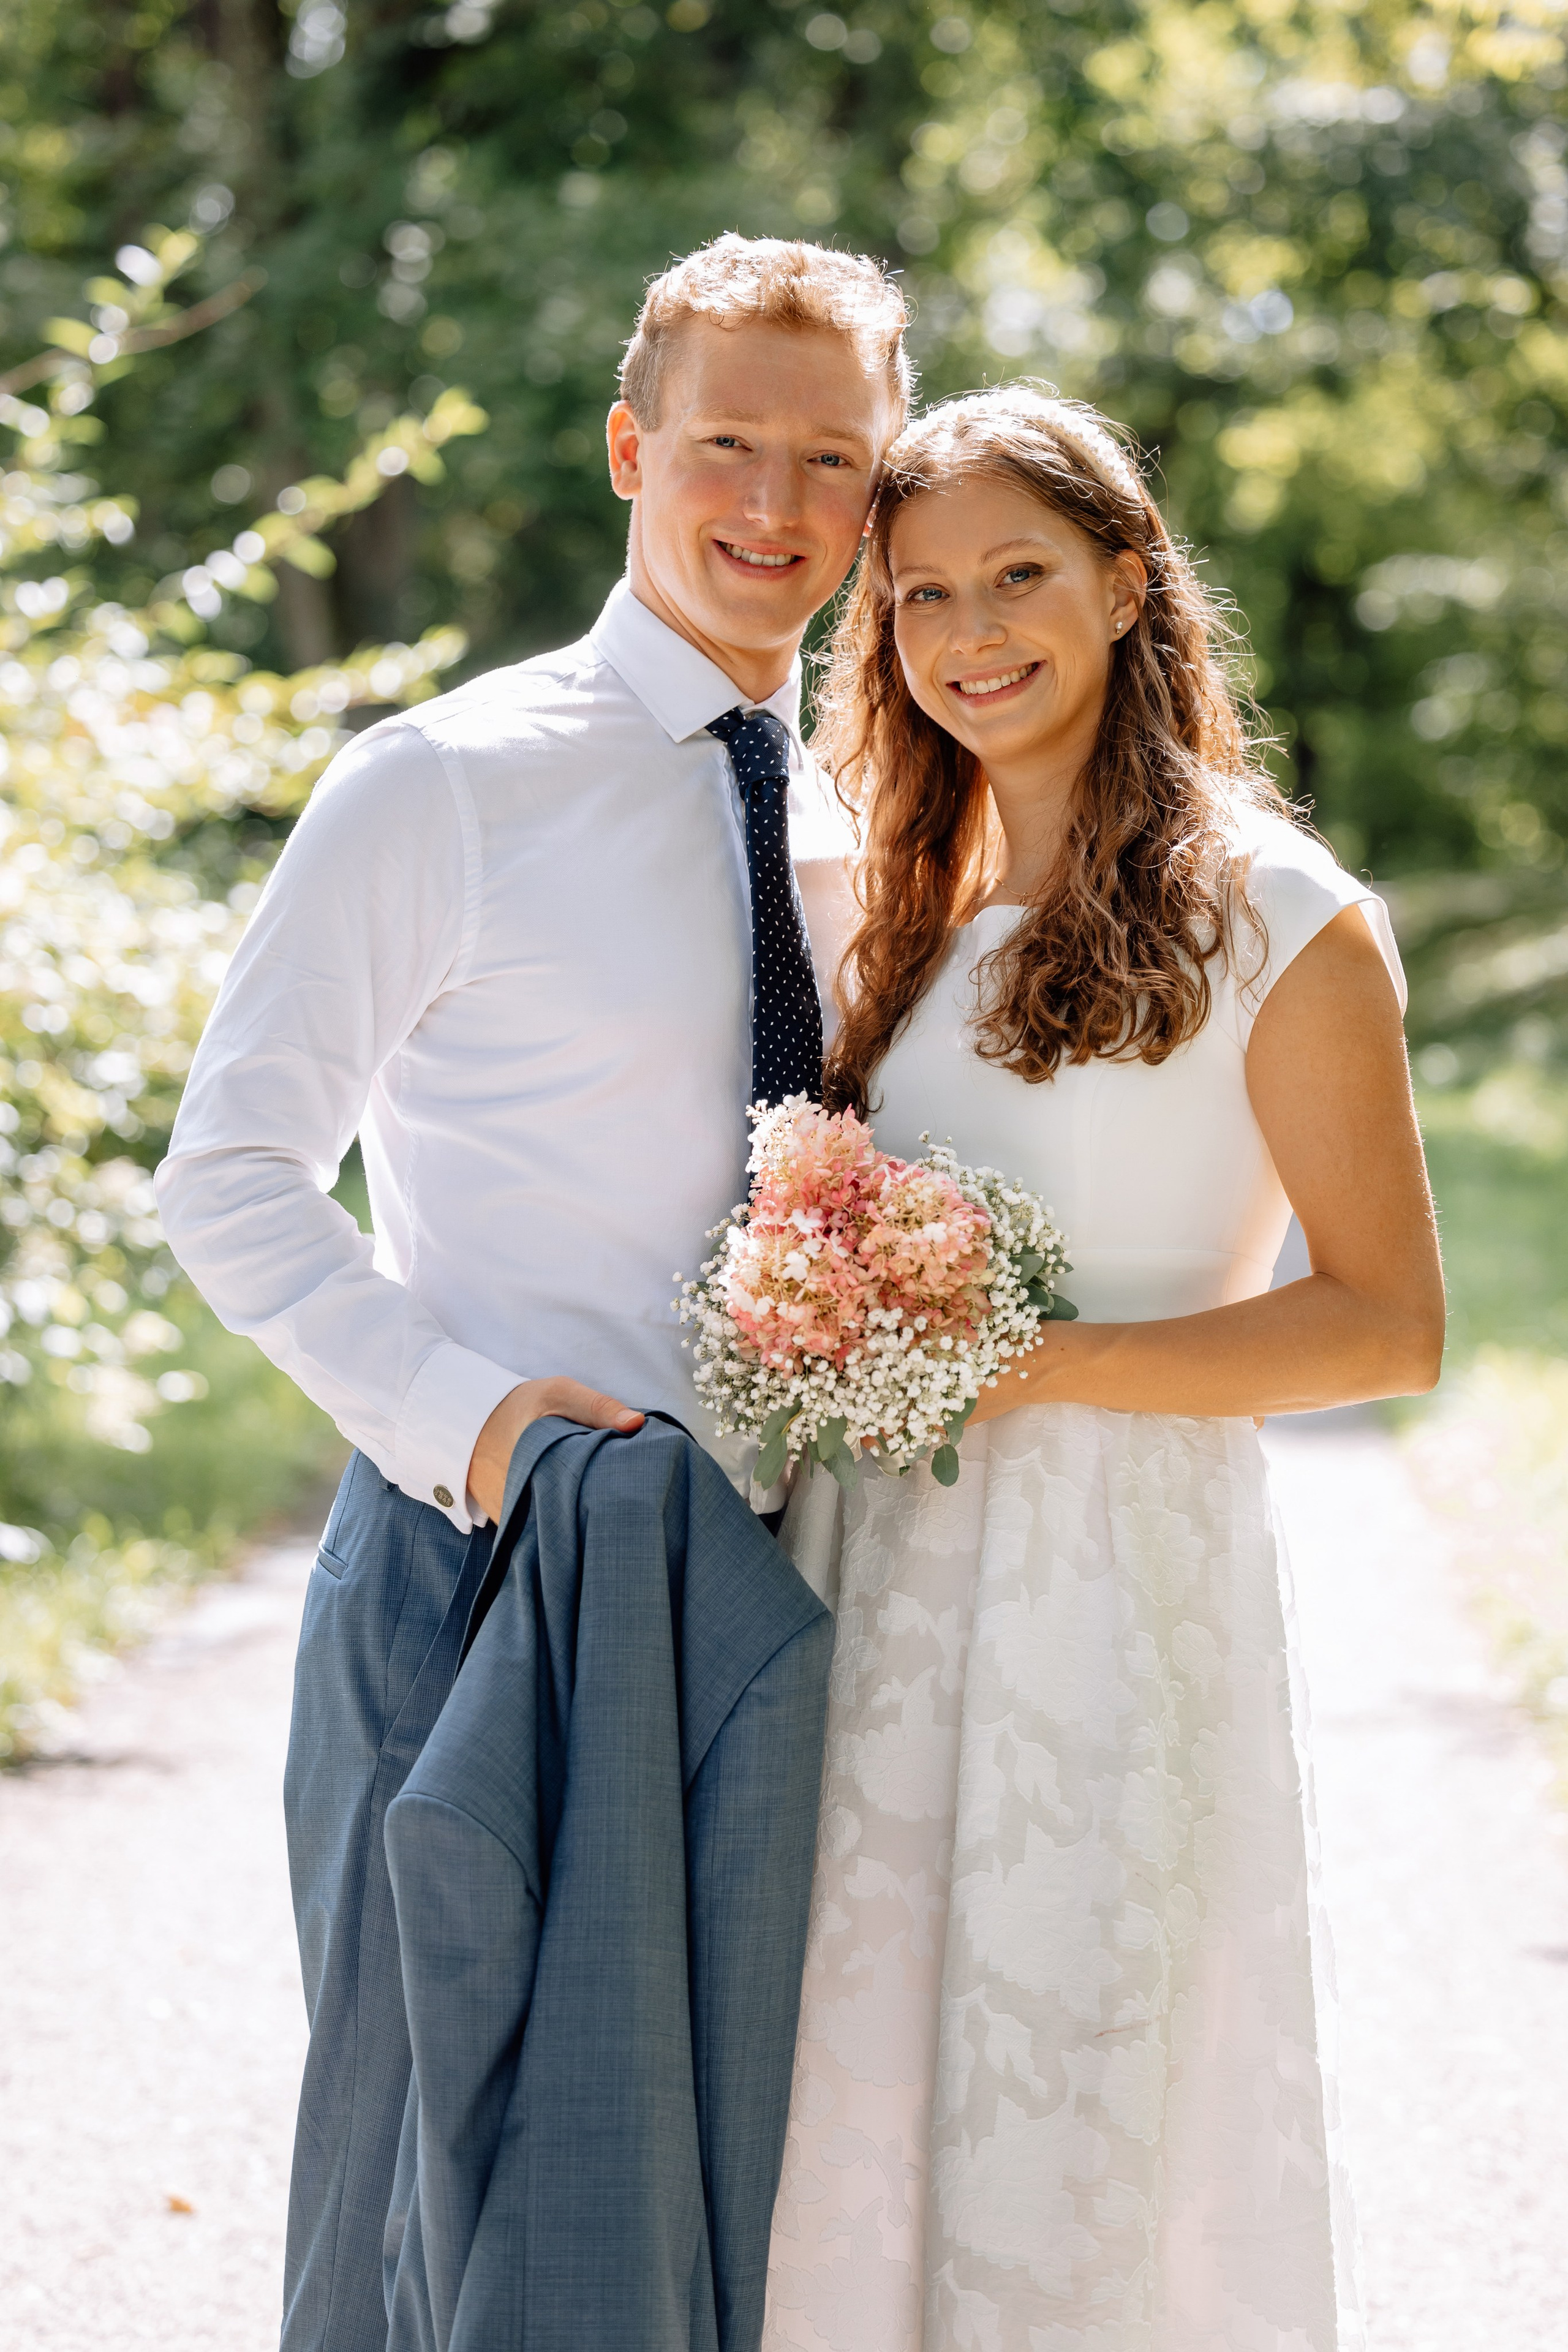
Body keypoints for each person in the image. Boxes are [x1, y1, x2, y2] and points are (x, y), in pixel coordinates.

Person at [154, 233, 907, 2352]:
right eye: (727, 446)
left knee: (693, 2210)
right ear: (626, 449)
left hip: (770, 1601)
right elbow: (227, 1181)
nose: (773, 508)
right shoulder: (444, 784)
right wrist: (475, 1425)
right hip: (476, 1581)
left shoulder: (868, 817)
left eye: (832, 463)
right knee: (423, 2182)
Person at [763, 385, 1444, 2352]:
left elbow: (1386, 1322)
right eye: (919, 599)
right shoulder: (915, 907)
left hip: (1105, 1610)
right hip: (869, 1591)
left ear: (1135, 583)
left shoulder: (1281, 915)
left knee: (1069, 2116)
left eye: (1022, 576)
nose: (971, 631)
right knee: (852, 2105)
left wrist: (1035, 1371)